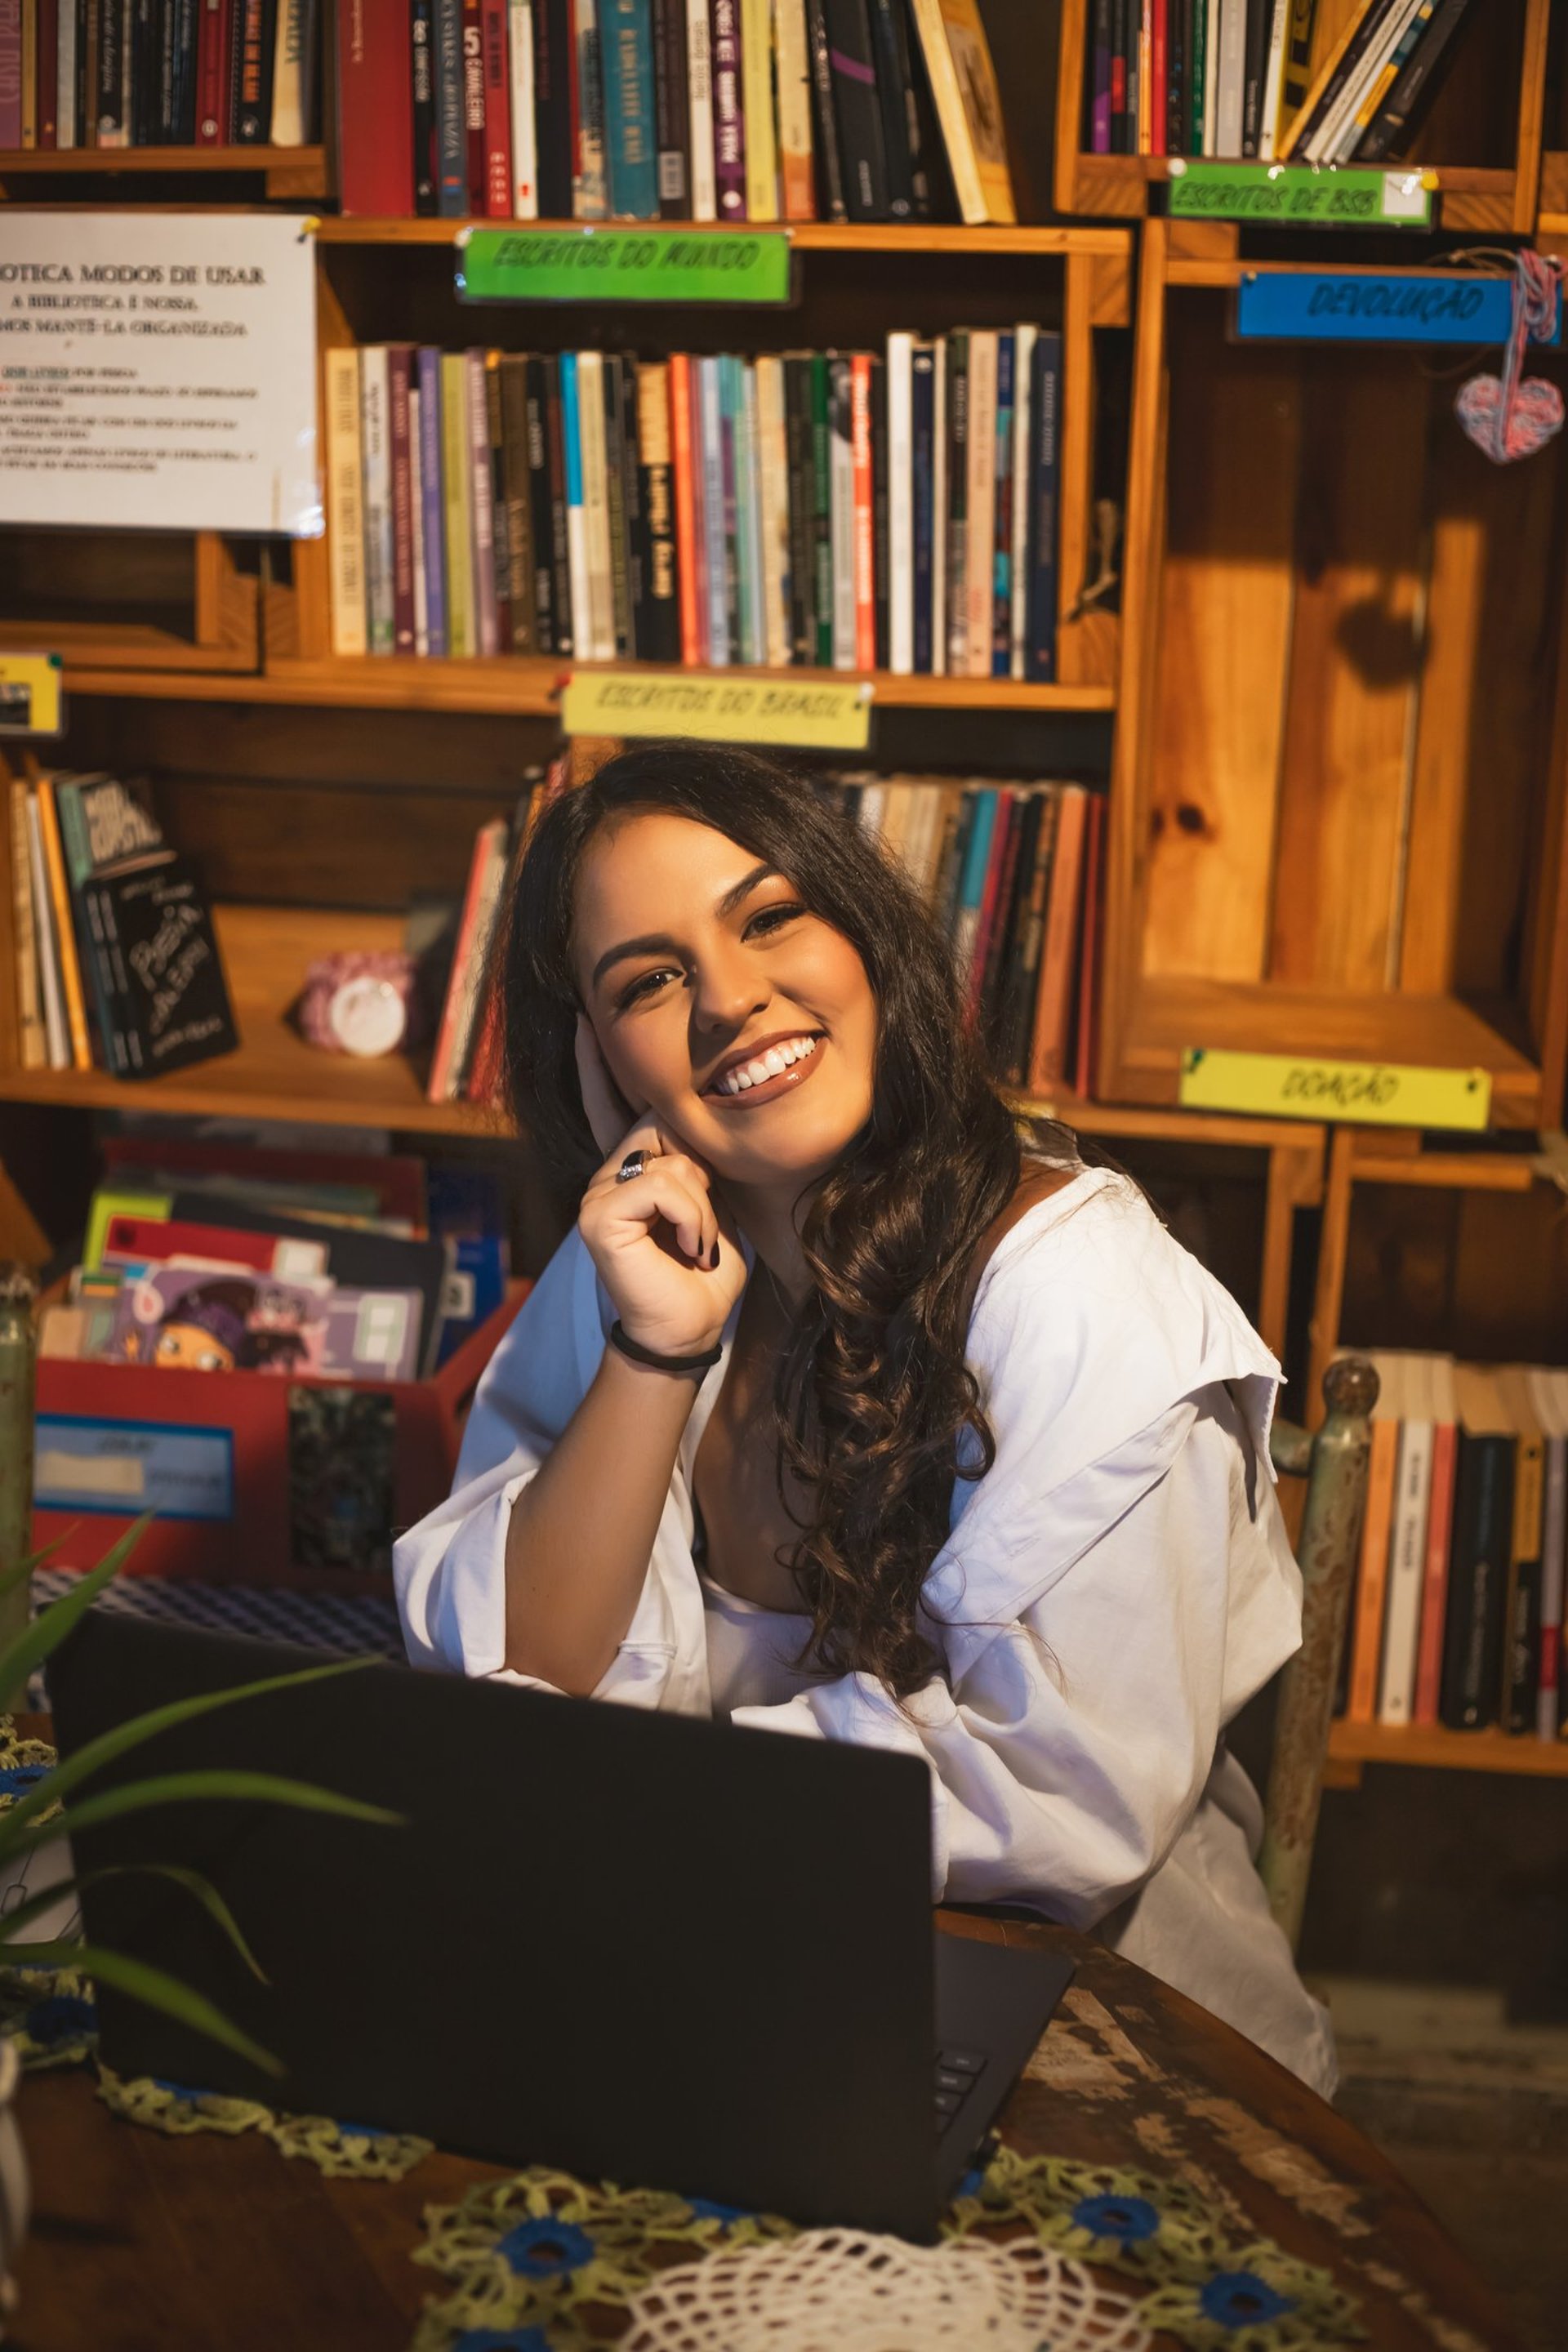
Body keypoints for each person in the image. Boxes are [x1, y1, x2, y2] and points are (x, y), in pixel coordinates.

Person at [394, 743, 1336, 2097]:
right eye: (647, 983)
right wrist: (661, 1354)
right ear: (597, 1065)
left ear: (867, 939)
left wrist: (640, 1808)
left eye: (770, 916)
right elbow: (529, 1681)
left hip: (1090, 2038)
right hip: (737, 1984)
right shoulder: (640, 1258)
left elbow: (1059, 1805)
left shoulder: (1078, 1283)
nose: (731, 998)